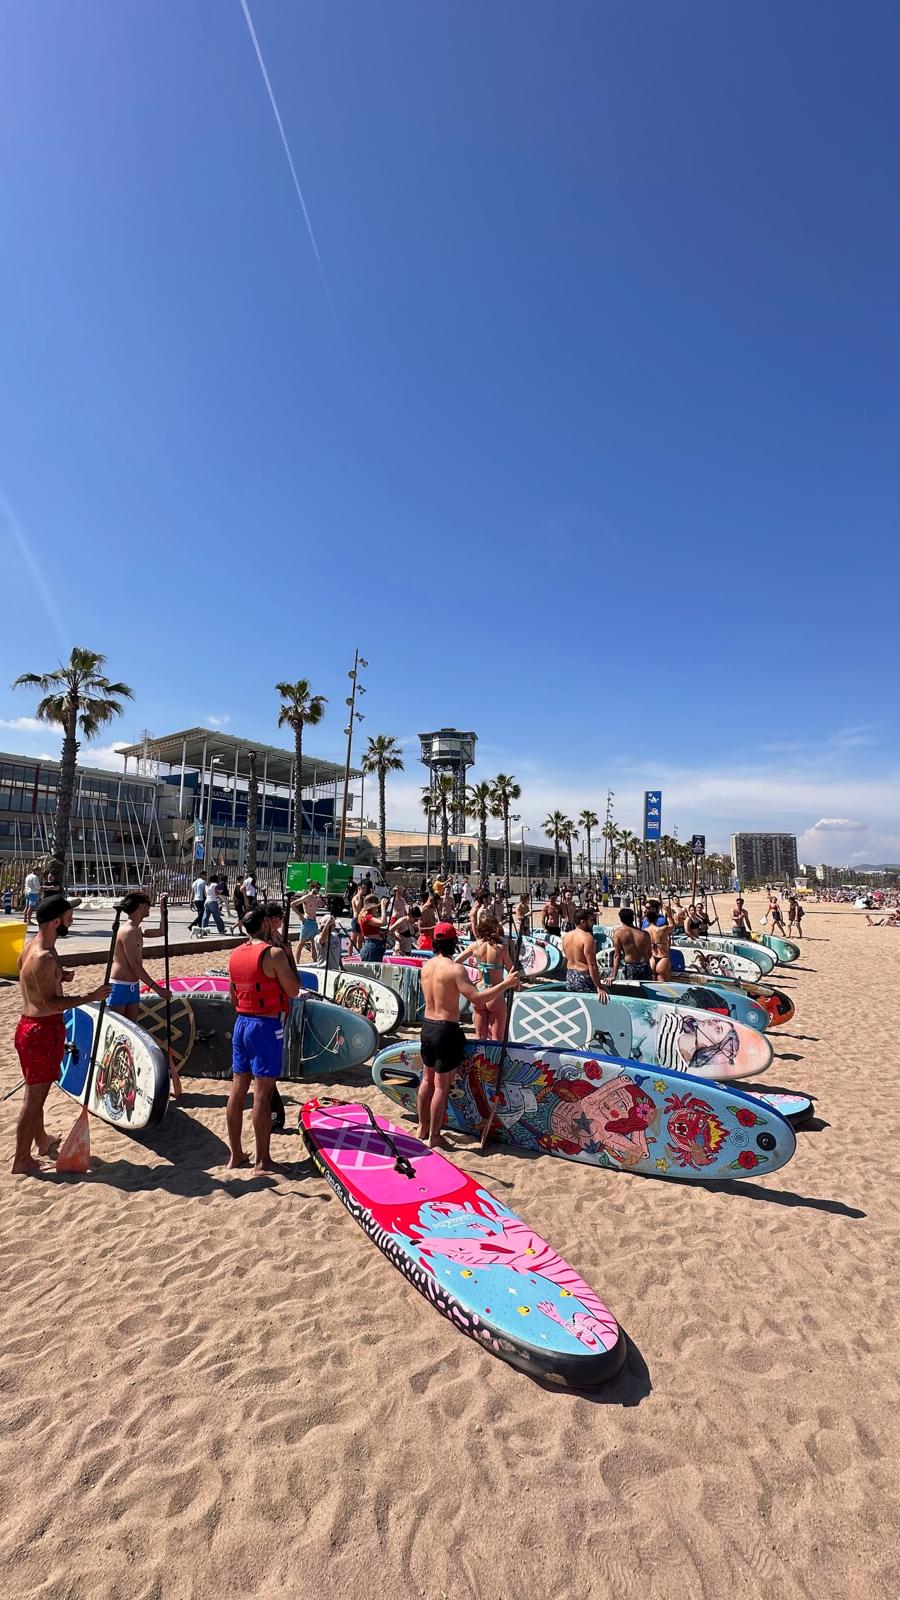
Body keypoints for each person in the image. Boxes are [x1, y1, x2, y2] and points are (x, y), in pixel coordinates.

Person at [11, 894, 110, 1174]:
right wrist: (89, 996)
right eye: (68, 916)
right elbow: (49, 1003)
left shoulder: (37, 946)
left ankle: (40, 1140)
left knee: (38, 1091)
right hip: (40, 1030)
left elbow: (27, 974)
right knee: (34, 1097)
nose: (72, 919)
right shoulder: (43, 956)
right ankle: (21, 1158)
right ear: (55, 921)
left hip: (37, 1028)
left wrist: (58, 976)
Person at [418, 922, 520, 1148]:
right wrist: (505, 984)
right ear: (454, 942)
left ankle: (422, 1127)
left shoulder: (426, 966)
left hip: (427, 1026)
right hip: (446, 1029)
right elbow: (477, 999)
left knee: (427, 1080)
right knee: (441, 1086)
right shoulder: (455, 969)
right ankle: (435, 1136)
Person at [226, 902, 300, 1173]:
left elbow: (232, 995)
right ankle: (262, 1161)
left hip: (241, 1023)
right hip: (265, 1025)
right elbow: (293, 989)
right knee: (262, 1094)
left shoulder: (235, 954)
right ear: (266, 924)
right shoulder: (274, 954)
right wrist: (289, 954)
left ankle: (235, 1156)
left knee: (237, 1090)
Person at [109, 892, 170, 1021]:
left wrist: (162, 908)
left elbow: (162, 932)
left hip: (133, 985)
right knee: (118, 1029)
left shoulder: (137, 929)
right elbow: (134, 965)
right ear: (140, 907)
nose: (149, 907)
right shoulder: (128, 931)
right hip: (120, 986)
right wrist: (157, 988)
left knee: (132, 1026)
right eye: (148, 905)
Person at [457, 915, 514, 1041]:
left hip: (480, 992)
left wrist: (467, 980)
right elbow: (511, 969)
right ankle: (494, 1060)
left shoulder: (475, 946)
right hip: (495, 993)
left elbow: (456, 961)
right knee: (497, 1039)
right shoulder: (501, 948)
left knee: (480, 1037)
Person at [561, 909, 609, 997]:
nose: (593, 923)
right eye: (591, 920)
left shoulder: (566, 936)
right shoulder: (587, 938)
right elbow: (592, 964)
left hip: (570, 975)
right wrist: (599, 986)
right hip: (583, 977)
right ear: (583, 922)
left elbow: (566, 956)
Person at [608, 907, 653, 981]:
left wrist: (613, 975)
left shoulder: (618, 933)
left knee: (632, 991)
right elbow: (649, 954)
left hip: (631, 967)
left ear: (621, 919)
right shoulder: (645, 934)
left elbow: (617, 955)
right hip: (645, 966)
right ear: (633, 918)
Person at [643, 899, 673, 980]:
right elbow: (672, 925)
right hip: (662, 956)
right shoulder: (661, 929)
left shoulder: (645, 931)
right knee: (663, 983)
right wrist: (668, 912)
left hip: (651, 956)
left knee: (652, 980)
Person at [358, 895, 391, 961]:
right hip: (371, 948)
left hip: (375, 946)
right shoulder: (367, 917)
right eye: (375, 907)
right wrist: (383, 907)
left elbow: (372, 932)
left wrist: (383, 933)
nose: (376, 909)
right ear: (371, 907)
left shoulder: (368, 917)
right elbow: (383, 922)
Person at [296, 884, 323, 962]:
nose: (318, 889)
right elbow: (293, 904)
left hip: (314, 922)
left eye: (319, 888)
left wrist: (319, 900)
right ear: (312, 888)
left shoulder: (316, 898)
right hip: (307, 922)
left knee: (314, 943)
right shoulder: (307, 897)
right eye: (316, 888)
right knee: (301, 943)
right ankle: (297, 962)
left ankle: (314, 961)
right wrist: (300, 915)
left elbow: (320, 905)